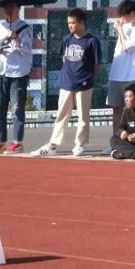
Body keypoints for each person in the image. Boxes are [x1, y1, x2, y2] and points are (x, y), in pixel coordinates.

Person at [31, 8, 102, 157]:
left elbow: (97, 65)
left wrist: (86, 77)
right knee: (62, 114)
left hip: (84, 84)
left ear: (81, 23)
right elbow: (63, 57)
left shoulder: (92, 41)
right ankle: (52, 145)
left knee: (83, 116)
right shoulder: (67, 39)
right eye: (69, 23)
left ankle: (79, 145)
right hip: (66, 83)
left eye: (73, 23)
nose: (70, 26)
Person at [0, 1, 33, 154]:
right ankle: (0, 142)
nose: (7, 10)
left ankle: (17, 142)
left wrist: (16, 39)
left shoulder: (25, 29)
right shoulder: (0, 28)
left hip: (18, 73)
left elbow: (27, 50)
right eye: (5, 7)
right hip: (1, 72)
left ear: (18, 9)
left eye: (11, 7)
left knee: (17, 108)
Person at [107, 0, 135, 139]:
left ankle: (134, 139)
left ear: (133, 14)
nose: (122, 19)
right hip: (117, 74)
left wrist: (120, 30)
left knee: (133, 110)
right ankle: (116, 139)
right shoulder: (126, 26)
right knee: (116, 109)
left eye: (124, 16)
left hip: (133, 75)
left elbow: (127, 47)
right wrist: (121, 28)